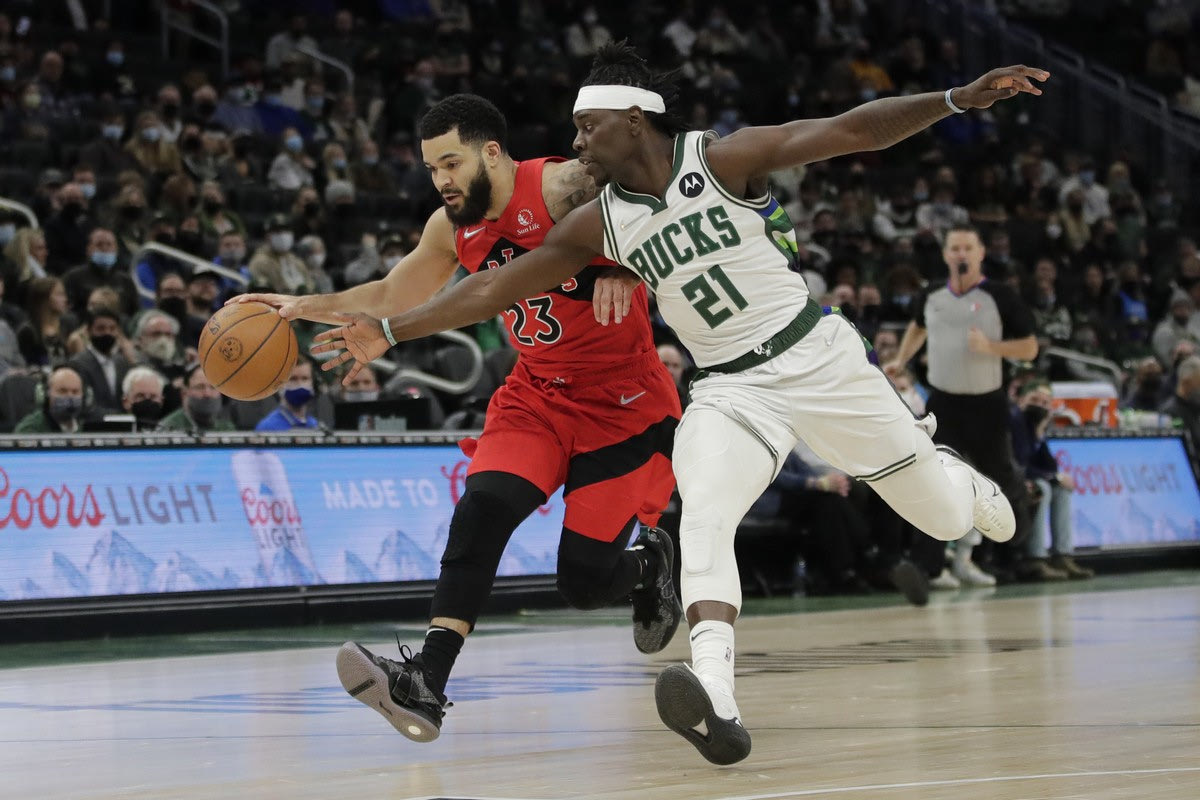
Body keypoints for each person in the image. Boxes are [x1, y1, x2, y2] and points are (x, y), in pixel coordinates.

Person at [311, 44, 1041, 763]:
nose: (576, 143)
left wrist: (955, 99)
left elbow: (852, 129)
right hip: (727, 388)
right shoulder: (598, 222)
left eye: (587, 127)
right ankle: (716, 697)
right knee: (707, 516)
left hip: (816, 359)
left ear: (633, 120)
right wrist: (390, 329)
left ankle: (952, 473)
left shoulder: (722, 159)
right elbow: (495, 286)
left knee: (945, 518)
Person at [234, 93, 682, 743]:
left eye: (452, 163)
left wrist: (630, 268)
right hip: (538, 396)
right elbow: (392, 294)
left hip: (622, 404)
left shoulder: (565, 186)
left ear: (491, 153)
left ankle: (650, 564)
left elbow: (667, 192)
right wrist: (307, 305)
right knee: (481, 511)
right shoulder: (450, 228)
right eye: (432, 168)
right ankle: (425, 682)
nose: (441, 180)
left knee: (584, 583)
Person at [888, 225, 1039, 587]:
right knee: (935, 477)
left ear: (980, 253)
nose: (961, 254)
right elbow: (918, 327)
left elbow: (1030, 348)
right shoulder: (932, 294)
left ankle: (1017, 540)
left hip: (988, 403)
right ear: (945, 255)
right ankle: (929, 566)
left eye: (967, 248)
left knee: (999, 475)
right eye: (954, 248)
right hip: (944, 402)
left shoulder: (1000, 296)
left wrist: (992, 348)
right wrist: (902, 360)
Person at [1009, 378, 1093, 581]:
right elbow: (1020, 463)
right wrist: (1053, 477)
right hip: (1009, 479)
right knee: (1043, 488)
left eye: (1045, 403)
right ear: (1021, 400)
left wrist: (1039, 434)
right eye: (1034, 400)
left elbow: (1049, 466)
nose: (1039, 406)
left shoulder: (1034, 426)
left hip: (1027, 477)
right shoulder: (1015, 421)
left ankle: (1062, 555)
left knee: (1061, 489)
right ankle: (1034, 558)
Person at [159, 363, 234, 433]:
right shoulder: (168, 428)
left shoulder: (226, 427)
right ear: (184, 393)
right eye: (200, 387)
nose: (207, 394)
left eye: (213, 387)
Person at [13, 365, 90, 433]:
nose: (70, 397)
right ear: (45, 394)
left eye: (75, 392)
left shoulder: (90, 425)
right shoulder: (29, 429)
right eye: (62, 391)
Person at [255, 358, 322, 432]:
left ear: (313, 384)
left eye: (305, 378)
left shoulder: (315, 425)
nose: (300, 384)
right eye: (293, 379)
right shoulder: (267, 428)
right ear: (279, 385)